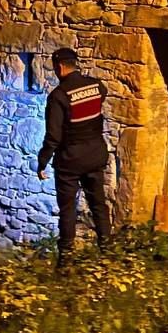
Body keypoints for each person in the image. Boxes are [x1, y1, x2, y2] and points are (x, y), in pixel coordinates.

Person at [37, 47, 112, 261]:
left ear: (59, 67)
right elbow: (99, 101)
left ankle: (66, 259)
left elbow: (53, 136)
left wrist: (42, 162)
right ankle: (107, 251)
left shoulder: (59, 96)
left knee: (68, 210)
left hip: (70, 161)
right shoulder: (97, 86)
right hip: (96, 155)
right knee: (98, 203)